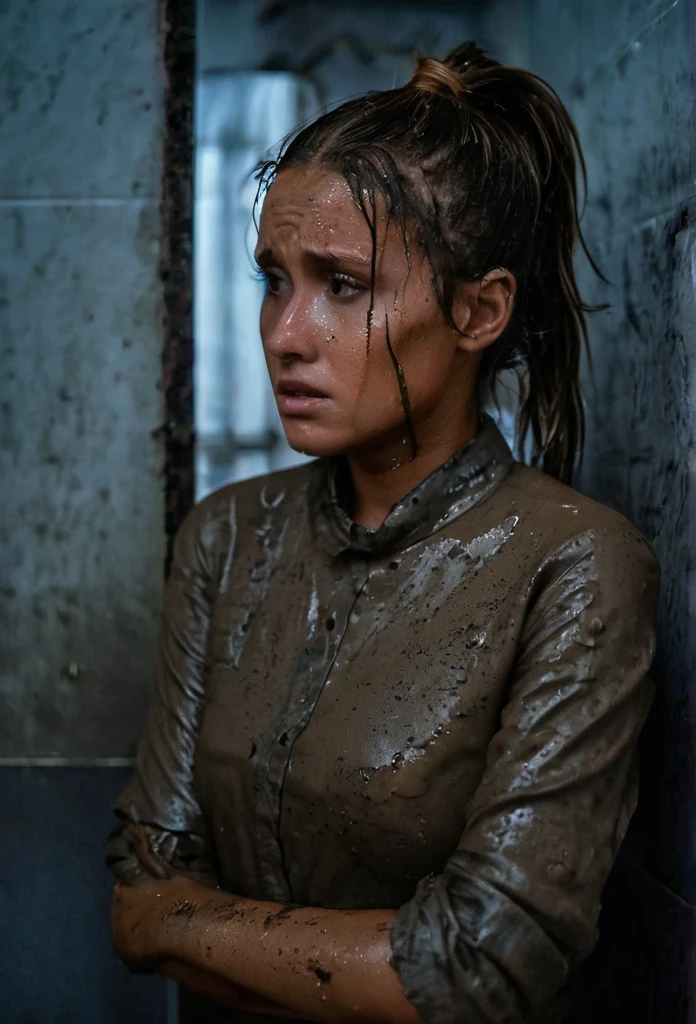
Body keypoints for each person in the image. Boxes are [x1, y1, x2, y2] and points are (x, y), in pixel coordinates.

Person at [107, 42, 659, 1024]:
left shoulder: (572, 564)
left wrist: (180, 926)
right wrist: (356, 962)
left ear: (479, 309)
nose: (284, 330)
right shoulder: (226, 538)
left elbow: (480, 966)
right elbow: (143, 879)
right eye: (276, 279)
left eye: (343, 285)